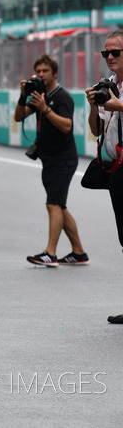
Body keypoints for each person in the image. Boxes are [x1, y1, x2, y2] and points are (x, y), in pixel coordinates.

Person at [14, 54, 87, 268]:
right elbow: (19, 117)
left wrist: (45, 109)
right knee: (60, 207)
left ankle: (50, 253)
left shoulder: (61, 96)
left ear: (54, 73)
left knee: (53, 204)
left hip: (63, 158)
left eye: (45, 71)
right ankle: (79, 252)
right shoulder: (40, 95)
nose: (41, 75)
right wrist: (23, 97)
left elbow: (66, 126)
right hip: (49, 158)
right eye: (38, 72)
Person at [86, 29, 123, 323]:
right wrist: (93, 106)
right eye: (105, 53)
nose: (109, 57)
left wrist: (117, 105)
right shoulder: (107, 86)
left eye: (116, 53)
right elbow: (96, 130)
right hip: (116, 169)